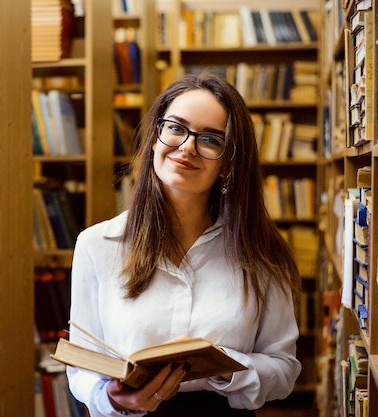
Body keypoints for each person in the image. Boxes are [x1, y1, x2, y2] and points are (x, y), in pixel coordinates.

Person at [66, 72, 302, 417]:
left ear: (228, 163)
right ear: (154, 139)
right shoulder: (96, 244)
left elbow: (284, 370)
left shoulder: (261, 251)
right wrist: (114, 400)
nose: (187, 146)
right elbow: (82, 365)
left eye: (210, 139)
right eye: (176, 128)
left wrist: (222, 365)